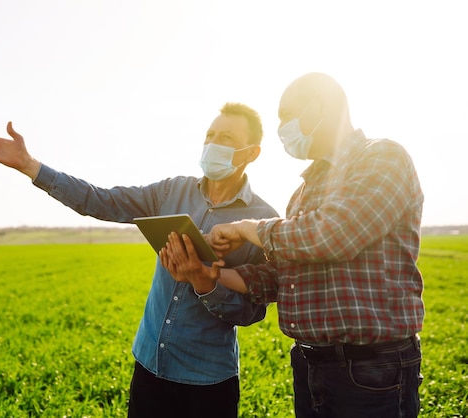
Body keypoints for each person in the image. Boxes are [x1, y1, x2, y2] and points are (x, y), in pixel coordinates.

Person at [0, 102, 279, 418]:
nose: (213, 143)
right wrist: (30, 165)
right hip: (148, 365)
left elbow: (251, 311)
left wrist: (202, 280)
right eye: (210, 134)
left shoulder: (261, 221)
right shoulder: (172, 191)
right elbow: (100, 200)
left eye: (226, 138)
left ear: (251, 153)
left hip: (207, 382)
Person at [160, 73, 425, 418]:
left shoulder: (381, 158)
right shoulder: (302, 192)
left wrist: (246, 228)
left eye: (288, 116)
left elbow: (333, 234)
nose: (283, 128)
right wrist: (207, 272)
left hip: (371, 368)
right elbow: (277, 278)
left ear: (322, 107)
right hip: (310, 364)